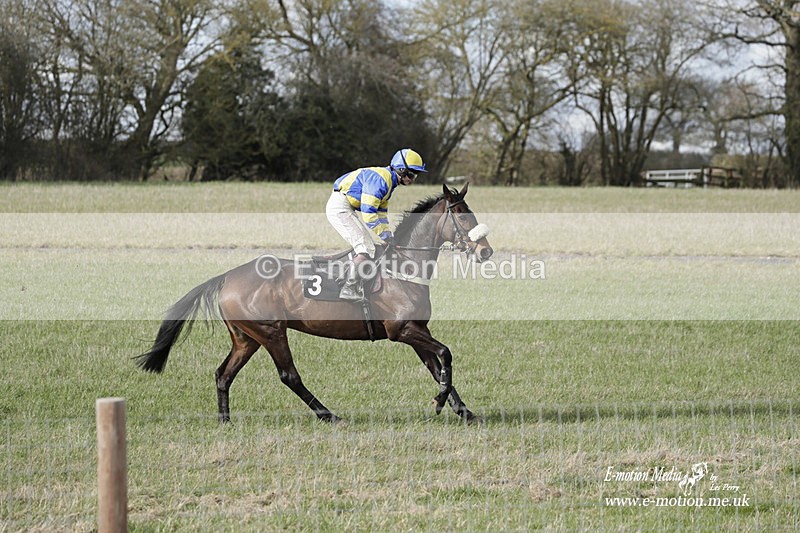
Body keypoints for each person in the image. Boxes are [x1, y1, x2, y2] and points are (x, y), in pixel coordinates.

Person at [325, 148, 427, 300]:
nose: (412, 179)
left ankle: (352, 278)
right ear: (401, 169)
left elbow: (381, 213)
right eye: (411, 174)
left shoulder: (389, 182)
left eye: (415, 175)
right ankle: (349, 288)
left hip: (346, 205)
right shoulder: (381, 180)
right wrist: (385, 235)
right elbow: (369, 214)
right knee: (365, 247)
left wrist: (389, 236)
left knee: (369, 247)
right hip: (340, 207)